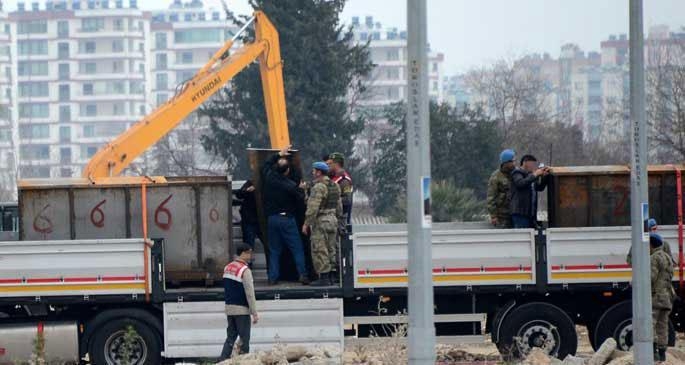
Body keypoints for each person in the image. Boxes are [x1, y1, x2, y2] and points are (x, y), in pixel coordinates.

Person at [261, 146, 310, 285]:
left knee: (274, 250)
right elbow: (301, 199)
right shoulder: (291, 185)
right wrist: (302, 189)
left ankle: (273, 277)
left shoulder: (269, 178)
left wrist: (278, 154)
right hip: (287, 219)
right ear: (288, 171)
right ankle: (302, 274)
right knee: (297, 248)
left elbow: (266, 165)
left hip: (272, 219)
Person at [303, 162, 342, 287]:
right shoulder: (335, 185)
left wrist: (307, 223)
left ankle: (324, 278)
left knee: (320, 249)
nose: (313, 173)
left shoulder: (319, 187)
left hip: (321, 220)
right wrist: (337, 219)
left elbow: (313, 207)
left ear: (319, 172)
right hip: (333, 220)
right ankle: (331, 276)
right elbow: (339, 206)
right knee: (331, 248)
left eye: (314, 171)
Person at [220, 244, 258, 360]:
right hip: (242, 310)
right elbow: (250, 294)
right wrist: (254, 313)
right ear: (243, 253)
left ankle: (223, 361)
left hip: (230, 309)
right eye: (249, 252)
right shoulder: (245, 270)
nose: (251, 255)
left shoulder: (227, 267)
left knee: (230, 338)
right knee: (244, 340)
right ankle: (243, 361)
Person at [650, 233, 676, 362]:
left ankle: (653, 353)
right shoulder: (667, 257)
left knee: (651, 323)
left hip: (656, 297)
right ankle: (662, 353)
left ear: (651, 245)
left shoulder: (654, 258)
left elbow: (651, 277)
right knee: (663, 325)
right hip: (667, 297)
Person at [510, 155, 550, 229]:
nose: (534, 167)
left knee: (530, 238)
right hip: (520, 212)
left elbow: (539, 188)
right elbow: (520, 183)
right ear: (525, 163)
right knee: (522, 236)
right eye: (532, 164)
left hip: (530, 214)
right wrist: (535, 174)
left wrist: (544, 177)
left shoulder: (530, 175)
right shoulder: (517, 173)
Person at [487, 149, 516, 228]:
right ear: (506, 163)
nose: (514, 164)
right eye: (512, 161)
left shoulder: (515, 174)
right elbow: (491, 197)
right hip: (502, 216)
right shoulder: (496, 177)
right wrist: (493, 216)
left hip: (515, 213)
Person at [326, 152, 353, 226]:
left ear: (336, 164)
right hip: (332, 216)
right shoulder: (332, 177)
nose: (328, 166)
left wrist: (330, 199)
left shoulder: (344, 180)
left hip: (340, 219)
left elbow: (347, 199)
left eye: (330, 164)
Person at [236, 180, 262, 249]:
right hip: (251, 220)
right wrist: (247, 190)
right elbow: (239, 194)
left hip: (253, 220)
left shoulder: (253, 182)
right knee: (248, 246)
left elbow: (239, 194)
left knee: (248, 246)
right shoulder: (252, 182)